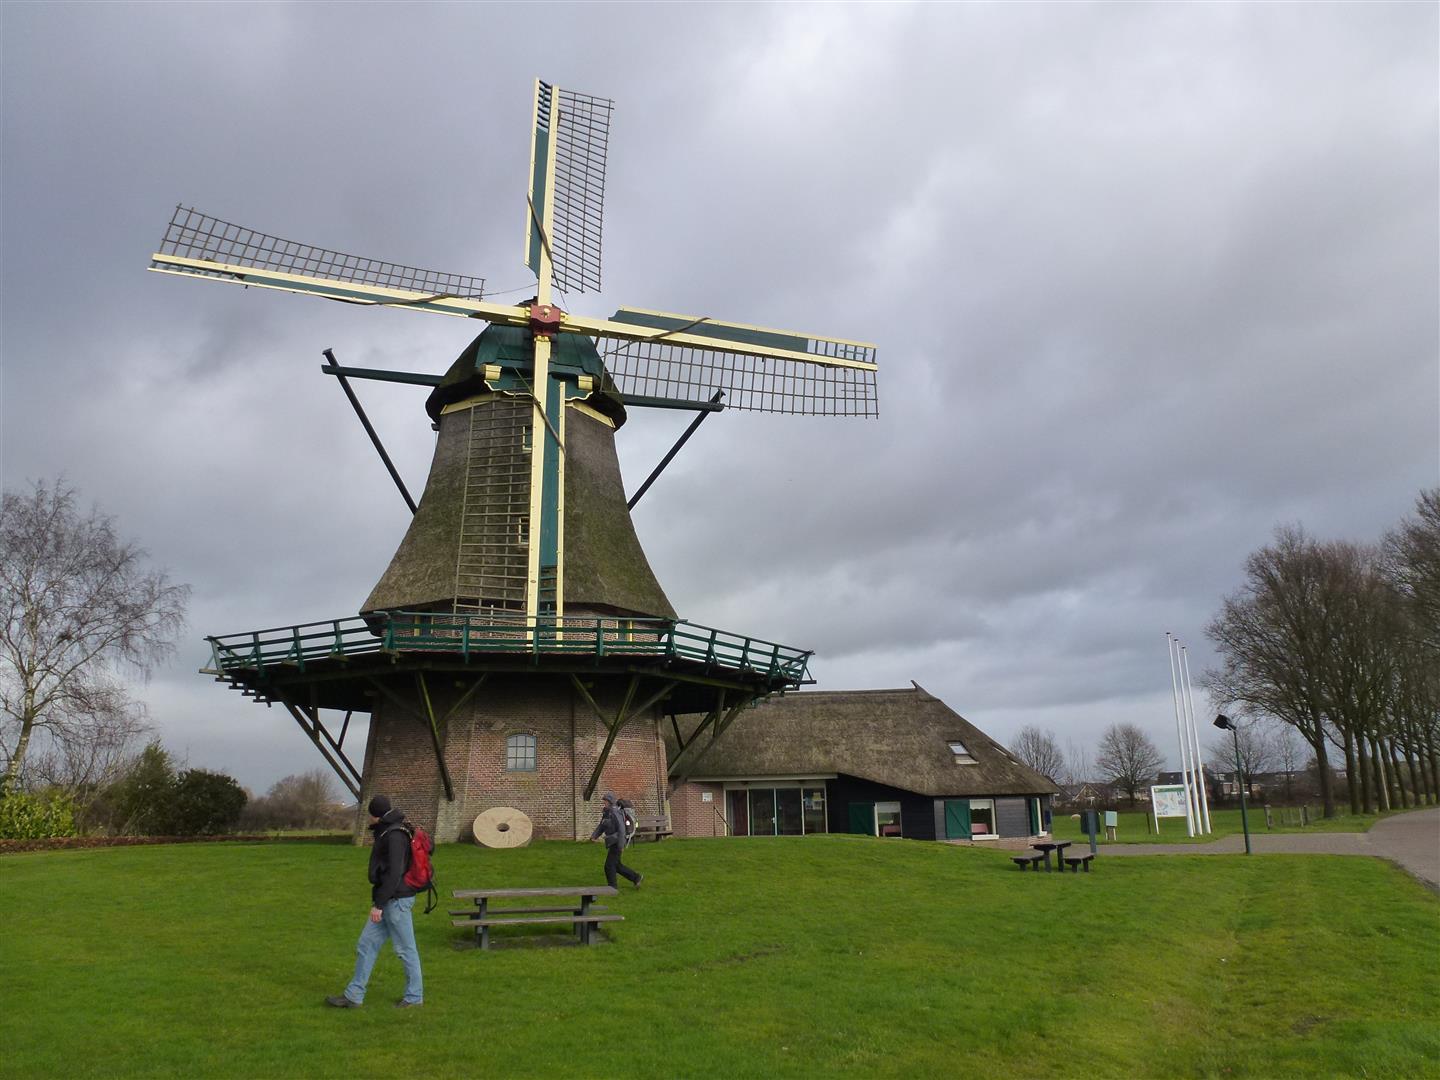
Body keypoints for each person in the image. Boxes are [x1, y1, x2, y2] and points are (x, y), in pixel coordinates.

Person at [325, 794, 423, 1009]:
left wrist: (379, 904)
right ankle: (353, 996)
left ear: (375, 814)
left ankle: (414, 997)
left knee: (405, 949)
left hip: (396, 901)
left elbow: (394, 872)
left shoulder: (395, 835)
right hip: (388, 898)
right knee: (366, 945)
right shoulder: (387, 831)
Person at [589, 791, 642, 889]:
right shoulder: (607, 812)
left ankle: (612, 887)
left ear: (609, 801)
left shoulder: (615, 813)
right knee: (616, 865)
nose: (603, 802)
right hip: (613, 841)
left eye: (605, 800)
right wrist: (594, 836)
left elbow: (621, 829)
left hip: (617, 841)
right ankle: (636, 877)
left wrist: (621, 845)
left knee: (609, 866)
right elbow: (602, 825)